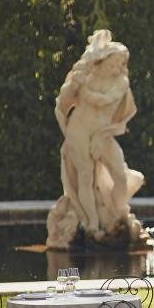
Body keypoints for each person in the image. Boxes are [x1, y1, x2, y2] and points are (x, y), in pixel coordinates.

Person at [53, 29, 144, 246]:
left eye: (122, 62)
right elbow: (63, 100)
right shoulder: (86, 75)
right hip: (80, 128)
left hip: (102, 133)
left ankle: (119, 213)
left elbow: (106, 100)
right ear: (105, 59)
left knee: (120, 174)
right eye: (116, 61)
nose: (119, 66)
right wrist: (74, 84)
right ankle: (91, 223)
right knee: (85, 175)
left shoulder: (120, 82)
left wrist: (84, 91)